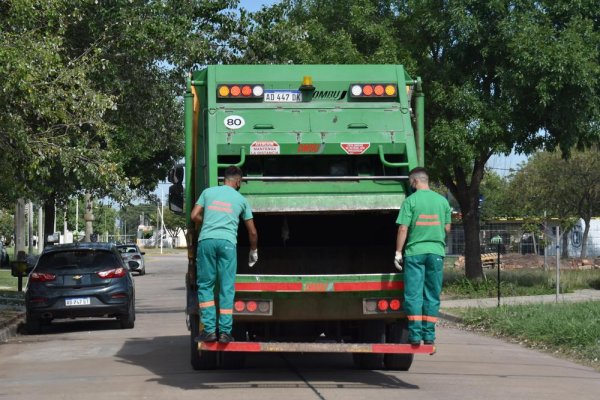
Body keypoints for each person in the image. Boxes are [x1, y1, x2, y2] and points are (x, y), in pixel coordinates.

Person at [191, 166, 258, 343]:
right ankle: (226, 333)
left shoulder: (208, 192)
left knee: (206, 285)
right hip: (228, 244)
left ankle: (210, 331)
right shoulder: (241, 199)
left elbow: (194, 215)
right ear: (238, 181)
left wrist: (208, 222)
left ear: (223, 179)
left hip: (207, 241)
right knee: (226, 287)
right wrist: (253, 250)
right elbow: (252, 232)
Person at [394, 167, 451, 345]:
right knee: (432, 294)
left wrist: (398, 253)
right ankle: (429, 335)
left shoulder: (410, 201)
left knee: (413, 295)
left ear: (414, 181)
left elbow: (403, 228)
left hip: (415, 253)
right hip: (436, 253)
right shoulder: (442, 201)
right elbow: (447, 228)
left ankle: (415, 335)